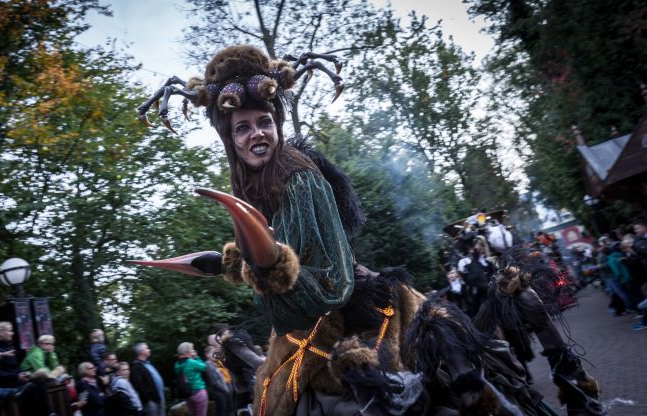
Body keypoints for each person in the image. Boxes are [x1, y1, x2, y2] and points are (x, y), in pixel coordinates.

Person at [135, 45, 604, 415]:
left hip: (350, 315)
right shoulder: (256, 186)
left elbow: (331, 284)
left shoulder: (297, 178)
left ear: (276, 122)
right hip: (317, 320)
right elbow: (282, 262)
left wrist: (269, 268)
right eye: (242, 128)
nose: (257, 133)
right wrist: (237, 264)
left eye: (265, 122)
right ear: (228, 138)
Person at [128, 343, 164, 416]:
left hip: (158, 397)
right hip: (151, 401)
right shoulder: (136, 366)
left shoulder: (148, 363)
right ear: (142, 351)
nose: (149, 350)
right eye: (147, 348)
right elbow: (138, 384)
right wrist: (148, 399)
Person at [173, 342, 208, 416]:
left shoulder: (177, 365)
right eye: (192, 349)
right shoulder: (191, 362)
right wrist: (197, 357)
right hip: (199, 392)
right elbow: (203, 367)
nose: (193, 351)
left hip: (188, 395)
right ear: (187, 352)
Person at [203, 346, 230, 416]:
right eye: (212, 353)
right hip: (215, 391)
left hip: (219, 390)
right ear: (207, 355)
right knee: (222, 411)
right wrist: (225, 389)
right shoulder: (208, 365)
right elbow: (215, 382)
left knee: (224, 409)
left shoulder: (213, 364)